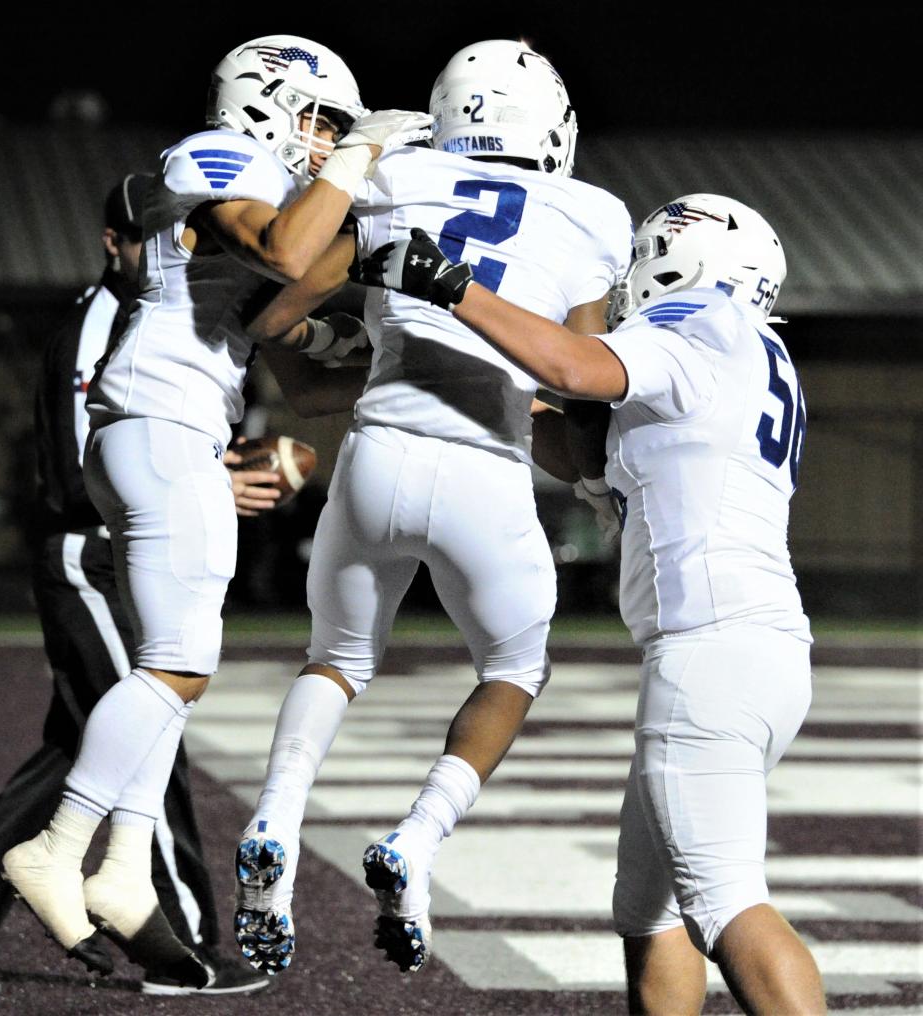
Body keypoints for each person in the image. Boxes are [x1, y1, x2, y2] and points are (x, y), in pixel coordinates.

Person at [0, 34, 431, 985]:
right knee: (179, 668)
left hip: (171, 427)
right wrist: (358, 163)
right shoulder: (218, 155)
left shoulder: (260, 195)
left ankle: (122, 867)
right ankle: (58, 842)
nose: (325, 141)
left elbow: (304, 371)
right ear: (267, 103)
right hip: (158, 422)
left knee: (174, 671)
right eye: (320, 120)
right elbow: (285, 246)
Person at [353, 194, 826, 1014]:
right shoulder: (748, 353)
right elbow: (578, 441)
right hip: (759, 652)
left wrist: (448, 284)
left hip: (709, 651)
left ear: (684, 258)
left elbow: (573, 367)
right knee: (649, 913)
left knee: (723, 903)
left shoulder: (695, 322)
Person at [232, 38, 632, 977]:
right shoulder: (591, 213)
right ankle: (416, 837)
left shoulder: (399, 174)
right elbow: (581, 375)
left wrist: (345, 334)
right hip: (486, 470)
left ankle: (274, 820)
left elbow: (276, 314)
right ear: (553, 128)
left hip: (376, 451)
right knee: (515, 667)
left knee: (335, 660)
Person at [0, 173, 281, 996]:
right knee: (154, 712)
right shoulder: (107, 322)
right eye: (159, 237)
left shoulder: (165, 316)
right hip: (90, 550)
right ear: (118, 242)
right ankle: (180, 938)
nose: (180, 250)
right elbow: (83, 466)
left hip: (120, 542)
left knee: (90, 738)